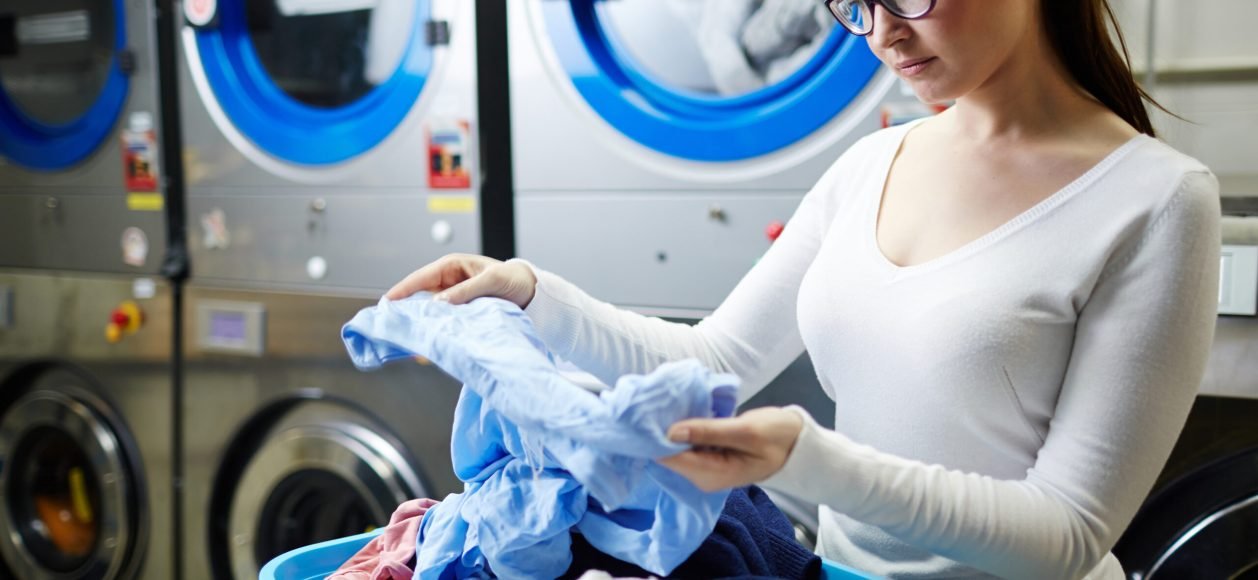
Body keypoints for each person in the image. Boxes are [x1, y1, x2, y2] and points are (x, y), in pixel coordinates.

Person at [386, 0, 1221, 577]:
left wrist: (808, 461)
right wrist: (527, 291)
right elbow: (715, 356)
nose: (885, 34)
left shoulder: (1153, 199)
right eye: (854, 5)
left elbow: (1065, 535)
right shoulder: (872, 163)